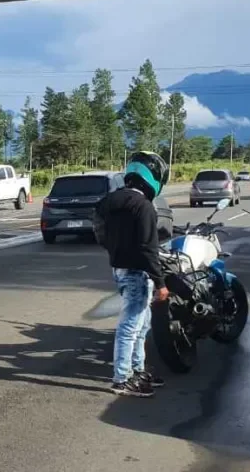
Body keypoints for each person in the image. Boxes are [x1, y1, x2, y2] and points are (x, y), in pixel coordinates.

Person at [96, 151, 170, 397]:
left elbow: (100, 233)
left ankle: (137, 369)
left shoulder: (108, 201)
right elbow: (149, 249)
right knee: (130, 326)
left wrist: (117, 252)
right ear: (153, 177)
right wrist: (160, 283)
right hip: (138, 272)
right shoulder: (144, 207)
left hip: (119, 269)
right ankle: (122, 378)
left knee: (142, 323)